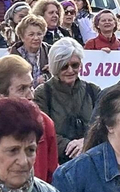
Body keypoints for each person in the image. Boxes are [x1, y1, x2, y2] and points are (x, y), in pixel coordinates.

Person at [34, 37, 100, 165]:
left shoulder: (93, 90)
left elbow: (104, 125)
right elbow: (42, 131)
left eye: (75, 65)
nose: (70, 70)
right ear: (55, 66)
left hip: (91, 161)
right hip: (58, 163)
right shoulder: (43, 93)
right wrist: (70, 147)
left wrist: (85, 142)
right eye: (64, 66)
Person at [9, 13, 51, 85]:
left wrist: (54, 69)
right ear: (22, 37)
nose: (36, 38)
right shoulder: (12, 56)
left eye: (39, 34)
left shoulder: (51, 52)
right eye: (31, 34)